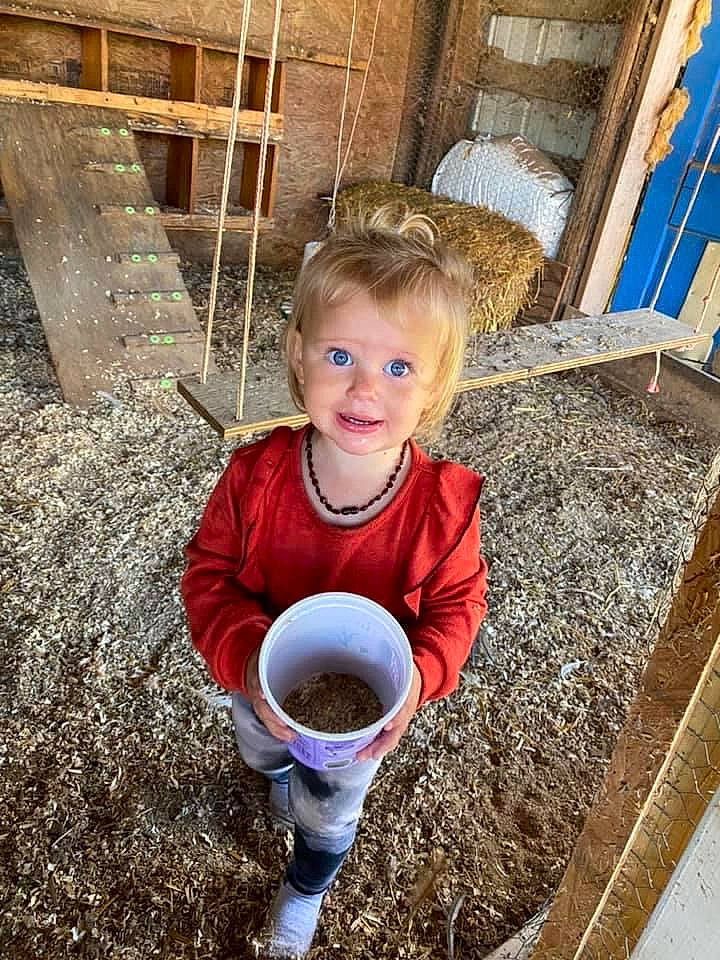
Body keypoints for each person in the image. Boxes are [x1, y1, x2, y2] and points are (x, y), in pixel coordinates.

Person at [181, 206, 488, 958]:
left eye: (398, 367)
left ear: (436, 383)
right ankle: (277, 774)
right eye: (340, 355)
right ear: (297, 354)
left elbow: (458, 604)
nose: (364, 390)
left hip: (360, 720)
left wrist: (418, 677)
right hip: (258, 678)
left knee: (331, 809)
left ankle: (307, 887)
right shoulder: (254, 478)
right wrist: (250, 663)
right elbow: (208, 574)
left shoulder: (442, 506)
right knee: (261, 749)